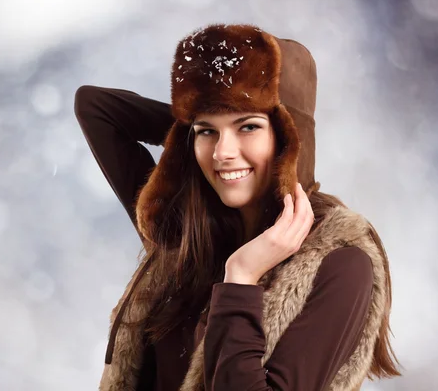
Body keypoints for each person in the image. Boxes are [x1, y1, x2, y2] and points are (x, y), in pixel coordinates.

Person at [74, 24, 401, 391]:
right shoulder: (187, 232)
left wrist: (241, 277)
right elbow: (96, 108)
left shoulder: (340, 264)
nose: (222, 153)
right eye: (206, 131)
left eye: (248, 126)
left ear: (291, 140)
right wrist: (204, 114)